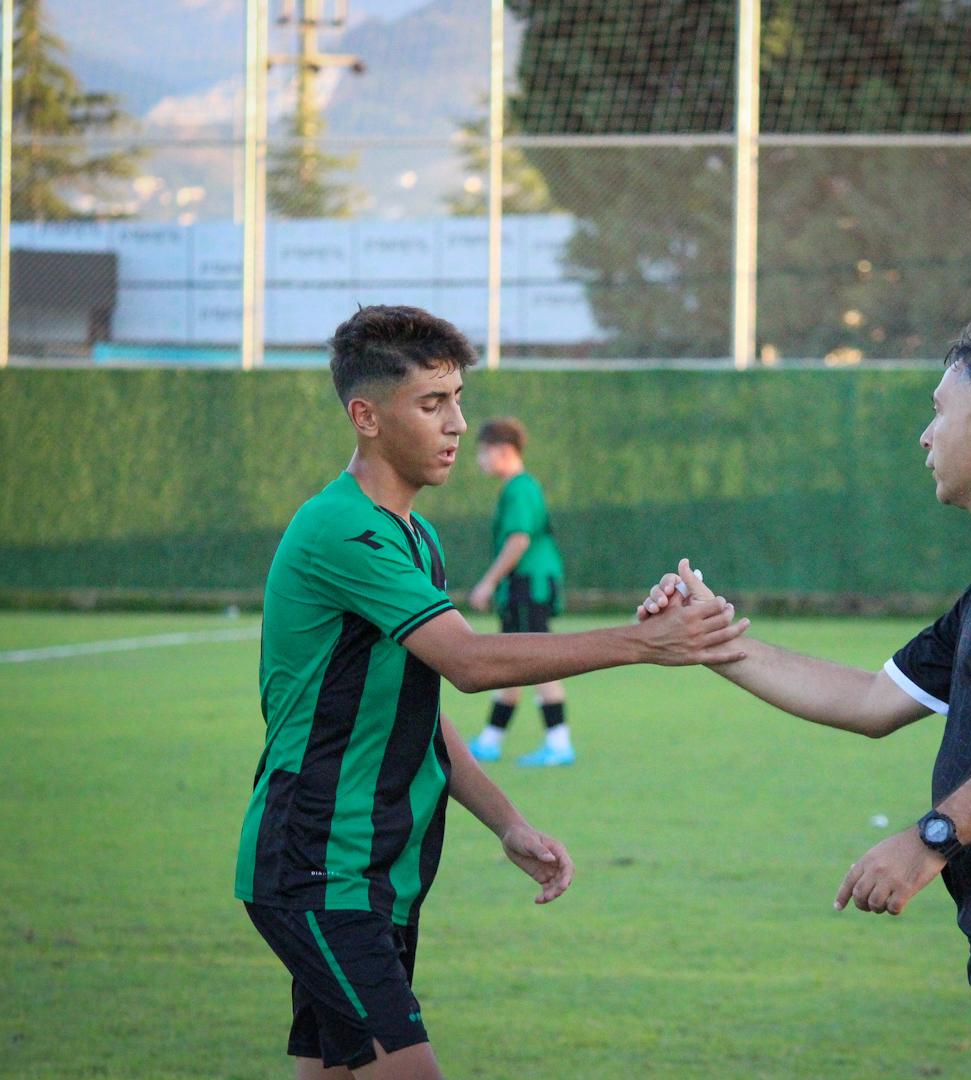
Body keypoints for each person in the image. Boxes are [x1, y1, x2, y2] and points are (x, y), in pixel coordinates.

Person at [640, 320, 971, 1079]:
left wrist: (930, 839)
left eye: (938, 412)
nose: (926, 436)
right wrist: (709, 638)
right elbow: (871, 700)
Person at [234, 304, 749, 1080]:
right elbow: (469, 664)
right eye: (432, 403)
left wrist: (508, 823)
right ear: (365, 416)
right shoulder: (342, 529)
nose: (455, 424)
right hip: (317, 867)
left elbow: (415, 712)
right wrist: (644, 643)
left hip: (375, 870)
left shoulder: (416, 536)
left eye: (458, 399)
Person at [466, 417, 573, 767]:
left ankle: (559, 744)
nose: (480, 460)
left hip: (528, 587)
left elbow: (519, 539)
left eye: (484, 452)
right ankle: (490, 740)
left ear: (504, 451)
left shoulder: (519, 488)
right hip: (525, 588)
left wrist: (488, 581)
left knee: (536, 662)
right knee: (512, 662)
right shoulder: (518, 487)